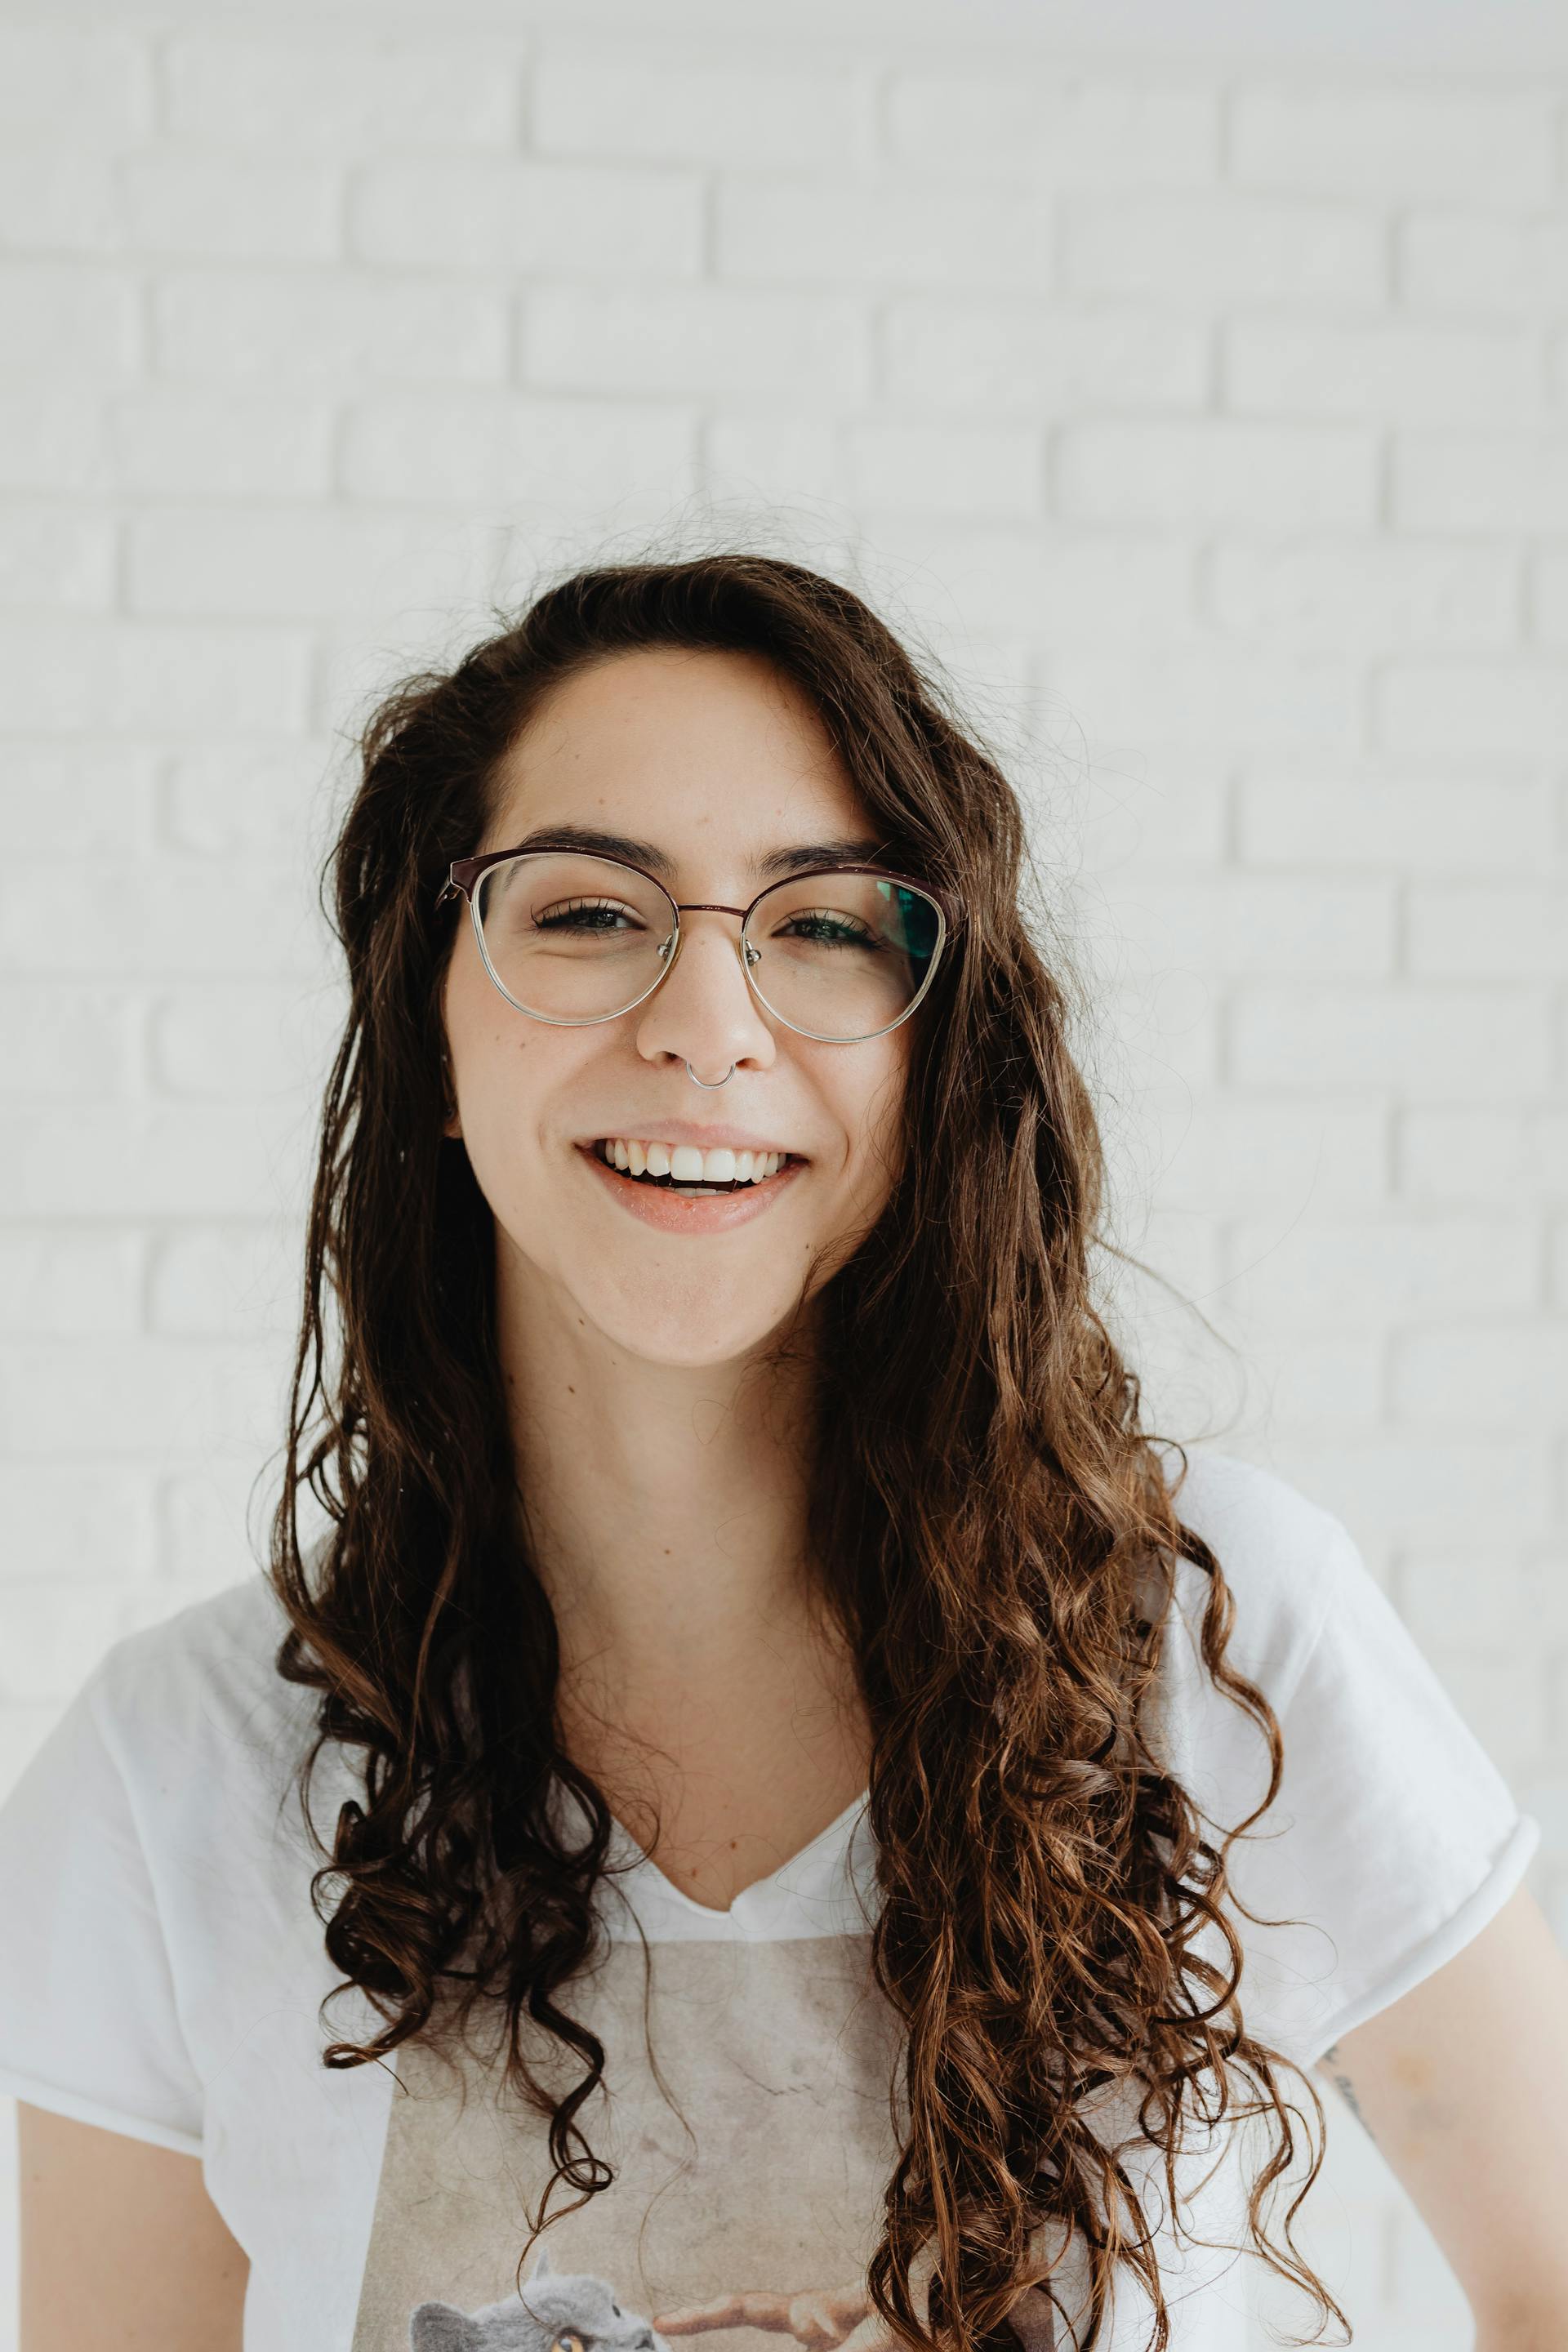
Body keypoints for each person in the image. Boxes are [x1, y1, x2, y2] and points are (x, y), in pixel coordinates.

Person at [0, 553, 1559, 2352]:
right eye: (588, 913)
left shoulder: (1212, 1639)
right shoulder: (169, 1778)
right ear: (433, 1005)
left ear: (933, 1044)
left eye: (822, 924)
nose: (704, 1024)